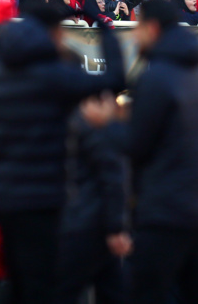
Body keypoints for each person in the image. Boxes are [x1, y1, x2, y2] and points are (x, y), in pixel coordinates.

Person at [0, 2, 126, 304]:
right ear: (53, 33)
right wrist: (103, 27)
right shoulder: (52, 76)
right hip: (44, 199)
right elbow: (114, 80)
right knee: (43, 286)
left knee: (19, 282)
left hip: (5, 200)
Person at [121, 0, 198, 304]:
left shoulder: (157, 78)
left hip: (166, 208)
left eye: (138, 27)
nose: (135, 35)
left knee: (147, 291)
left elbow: (137, 144)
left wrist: (109, 126)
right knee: (197, 291)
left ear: (152, 29)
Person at [56, 95, 129, 304]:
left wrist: (116, 227)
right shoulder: (86, 125)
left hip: (82, 225)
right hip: (96, 225)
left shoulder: (84, 125)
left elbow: (112, 177)